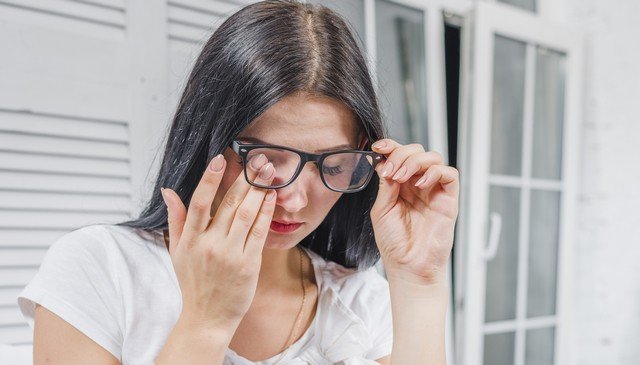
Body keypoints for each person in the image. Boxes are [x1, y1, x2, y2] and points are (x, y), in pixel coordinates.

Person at [17, 0, 459, 364]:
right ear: (206, 139)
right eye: (265, 158)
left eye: (331, 162)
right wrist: (206, 320)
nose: (295, 198)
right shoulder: (99, 268)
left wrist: (420, 280)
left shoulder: (360, 299)